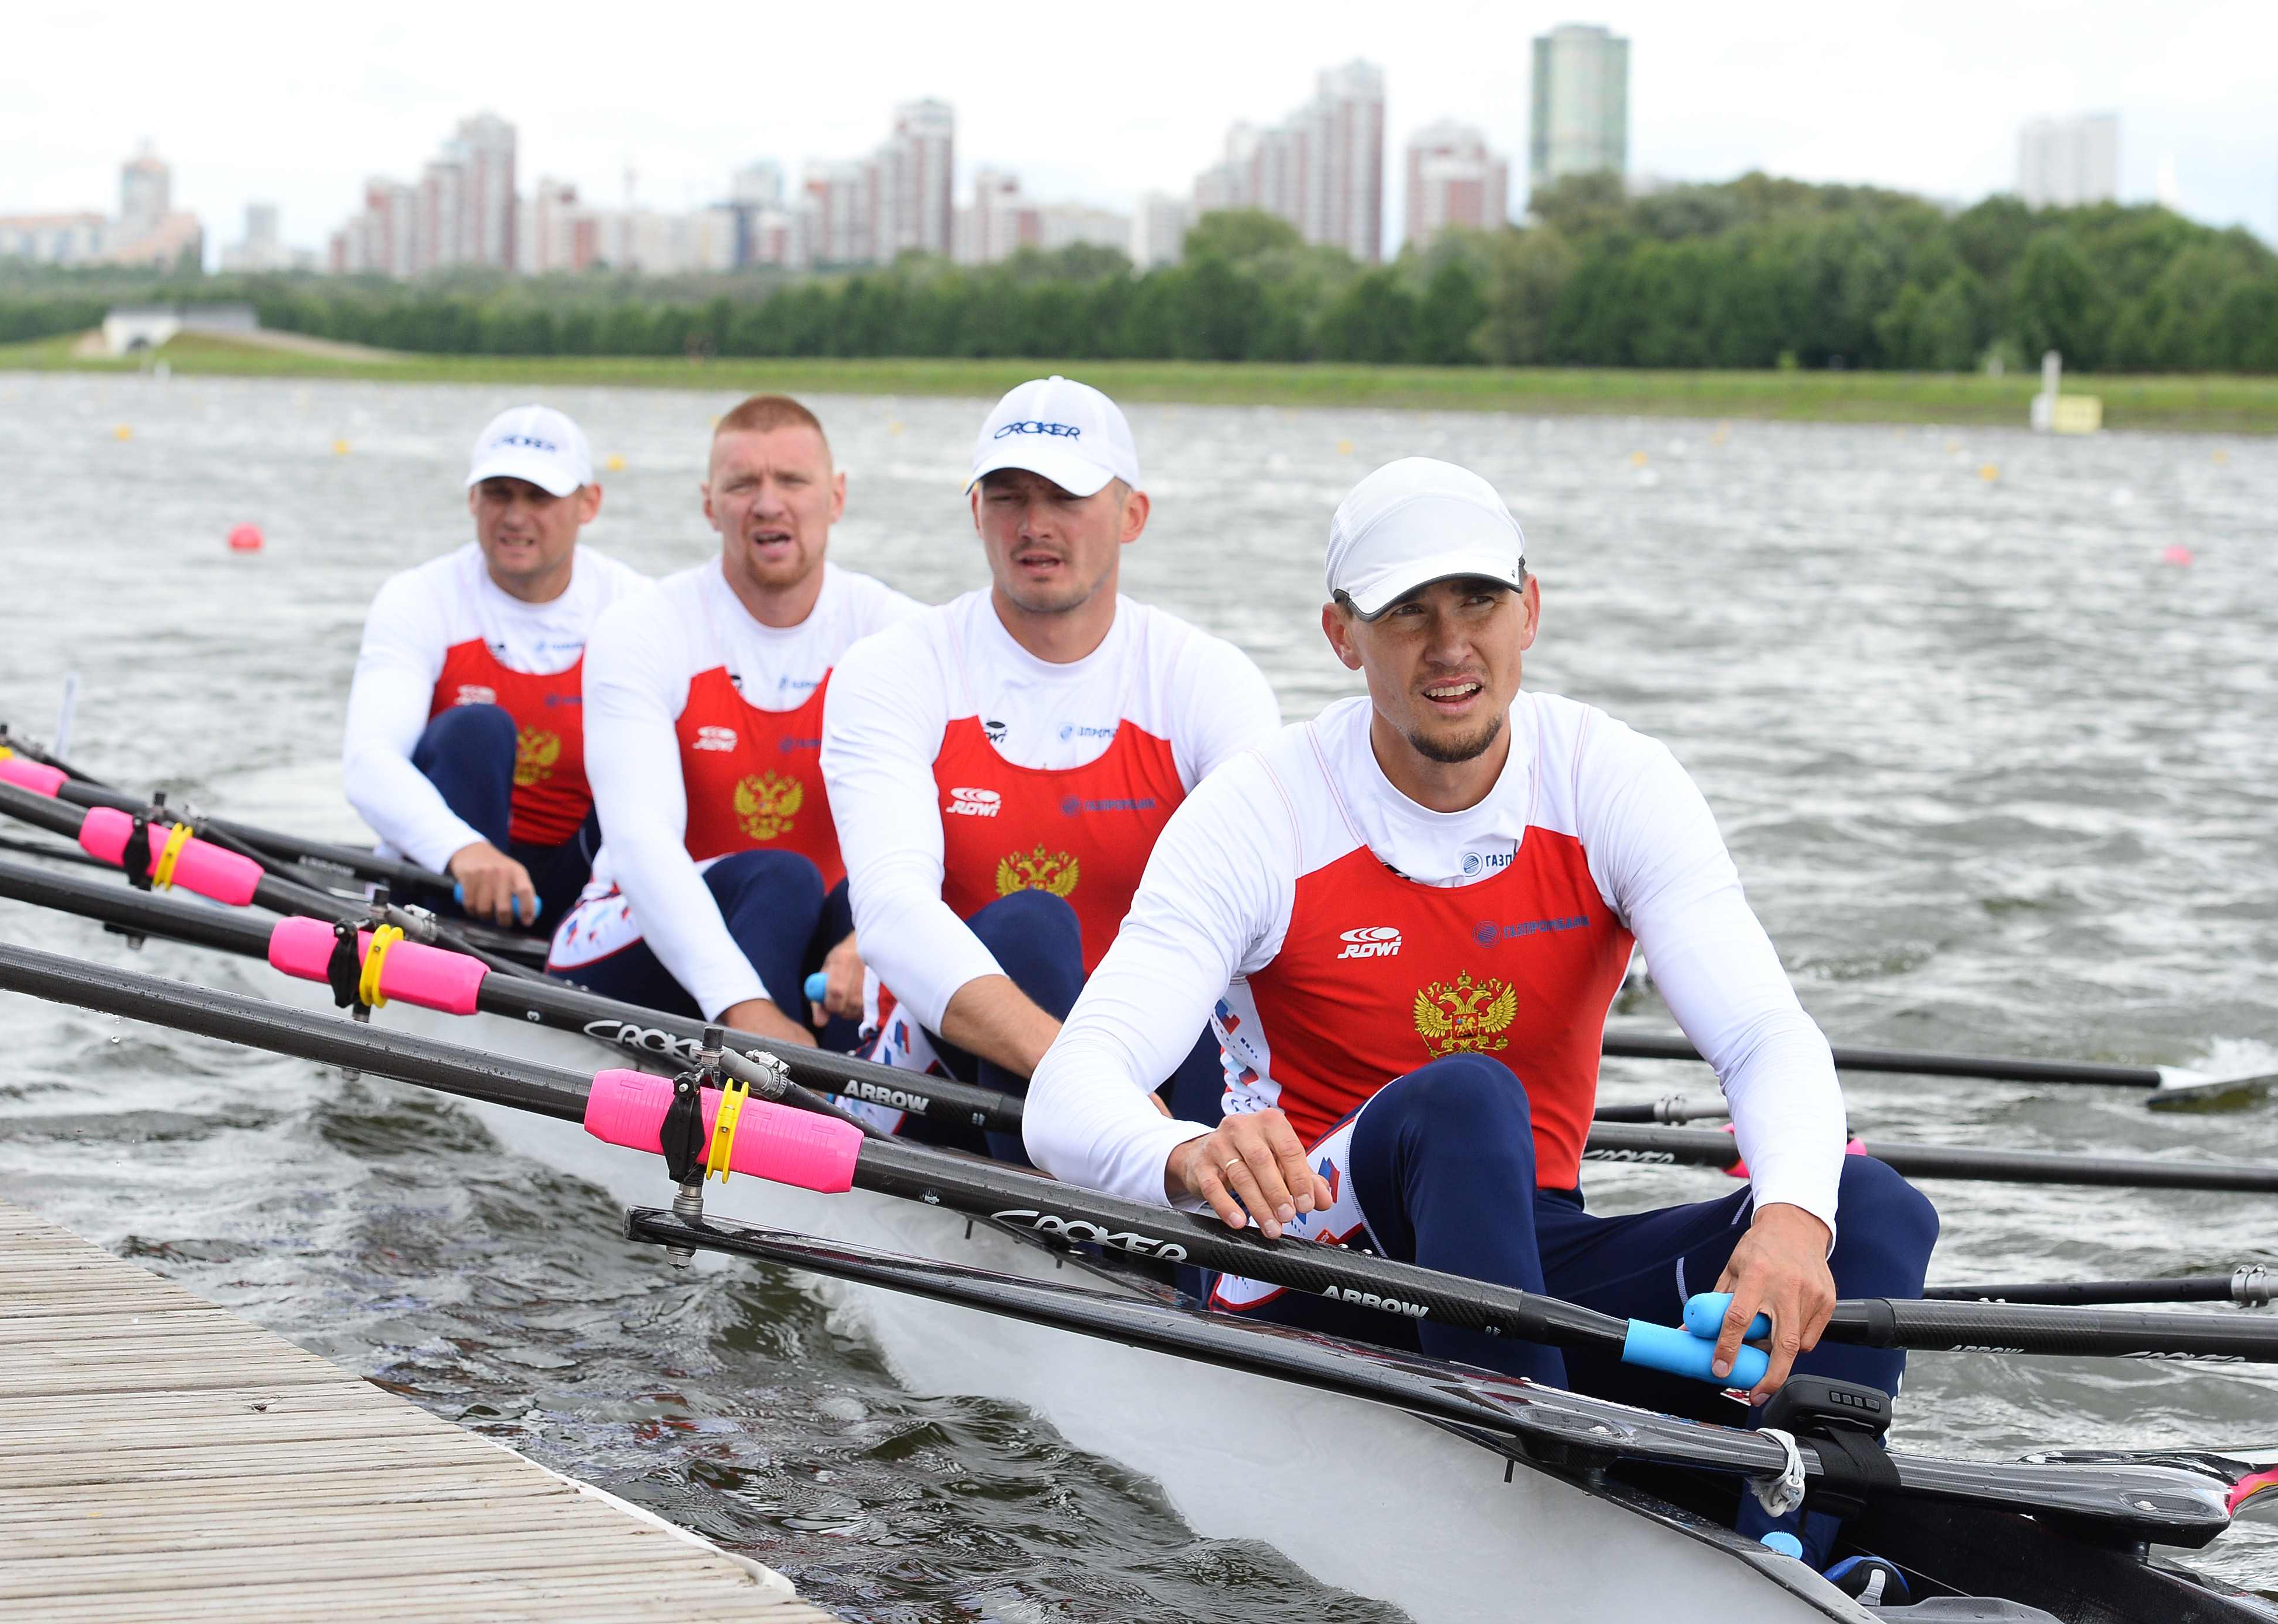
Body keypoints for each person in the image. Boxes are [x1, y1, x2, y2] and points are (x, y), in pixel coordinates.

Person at [1023, 457, 1937, 1555]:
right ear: (1340, 637)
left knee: (1869, 1208)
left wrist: (1792, 1217)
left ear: (1530, 610)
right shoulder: (1259, 811)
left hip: (1516, 1256)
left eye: (1478, 603)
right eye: (1406, 612)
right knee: (1465, 1100)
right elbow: (1069, 1094)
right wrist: (1181, 1155)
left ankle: (1796, 1551)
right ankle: (1534, 1519)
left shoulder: (1608, 777)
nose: (1449, 645)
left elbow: (1762, 1037)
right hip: (1303, 1261)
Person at [823, 376, 1280, 1152]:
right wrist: (1086, 1082)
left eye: (1065, 497)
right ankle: (1100, 1235)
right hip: (944, 1063)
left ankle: (1215, 1251)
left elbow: (1270, 912)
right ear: (975, 513)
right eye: (1006, 497)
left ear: (1132, 515)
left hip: (1145, 1050)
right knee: (1030, 923)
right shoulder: (896, 669)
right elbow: (896, 920)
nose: (1034, 525)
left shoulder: (1208, 679)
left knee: (1228, 981)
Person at [545, 395, 916, 1047]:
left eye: (792, 481)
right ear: (709, 504)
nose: (768, 503)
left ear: (835, 496)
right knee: (783, 876)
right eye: (742, 484)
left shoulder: (895, 634)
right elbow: (640, 844)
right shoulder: (645, 627)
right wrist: (749, 1014)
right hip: (627, 936)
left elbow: (932, 836)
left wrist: (872, 938)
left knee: (867, 904)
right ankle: (771, 1077)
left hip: (817, 949)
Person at [344, 405, 646, 935]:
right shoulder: (420, 597)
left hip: (575, 882)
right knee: (476, 728)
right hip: (444, 879)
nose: (514, 516)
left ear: (588, 503)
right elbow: (369, 762)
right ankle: (452, 951)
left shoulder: (636, 608)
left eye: (539, 496)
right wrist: (464, 847)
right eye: (499, 493)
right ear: (472, 499)